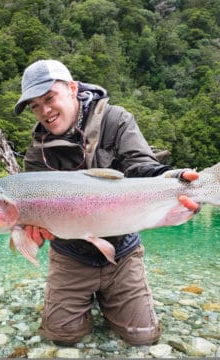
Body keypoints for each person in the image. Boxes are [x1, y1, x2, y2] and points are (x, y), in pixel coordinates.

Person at [13, 59, 200, 346]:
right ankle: (87, 300)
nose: (45, 111)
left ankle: (109, 297)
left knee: (143, 338)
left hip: (123, 252)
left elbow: (141, 167)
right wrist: (33, 233)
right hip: (70, 256)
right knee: (62, 337)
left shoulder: (116, 120)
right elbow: (36, 227)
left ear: (72, 89)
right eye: (35, 106)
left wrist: (172, 178)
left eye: (49, 98)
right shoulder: (37, 155)